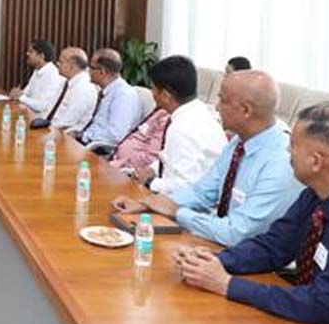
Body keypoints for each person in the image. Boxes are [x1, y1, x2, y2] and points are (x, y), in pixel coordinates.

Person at [175, 103, 329, 324]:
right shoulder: (317, 192)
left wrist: (227, 284)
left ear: (316, 161)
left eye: (293, 145)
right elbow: (274, 246)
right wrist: (211, 261)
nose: (287, 152)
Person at [112, 70, 302, 246]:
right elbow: (202, 192)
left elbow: (236, 232)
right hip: (221, 243)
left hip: (255, 258)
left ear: (246, 110)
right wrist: (149, 204)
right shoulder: (240, 141)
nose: (217, 108)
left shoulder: (281, 162)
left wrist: (177, 212)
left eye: (223, 100)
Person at [128, 55, 226, 195]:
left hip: (186, 204)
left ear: (166, 95)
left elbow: (184, 187)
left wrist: (149, 182)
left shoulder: (183, 129)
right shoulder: (197, 113)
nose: (152, 93)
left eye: (153, 89)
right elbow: (173, 160)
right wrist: (151, 170)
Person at [78, 48, 142, 146]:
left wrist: (84, 136)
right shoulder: (105, 91)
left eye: (91, 67)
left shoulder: (123, 95)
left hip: (99, 148)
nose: (87, 71)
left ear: (102, 72)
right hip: (88, 140)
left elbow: (115, 135)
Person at [29, 47, 97, 133]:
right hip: (49, 128)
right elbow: (49, 109)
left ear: (71, 66)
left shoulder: (83, 87)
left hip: (64, 135)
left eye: (61, 62)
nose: (57, 64)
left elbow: (66, 122)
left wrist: (43, 130)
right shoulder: (65, 81)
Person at [8, 40, 65, 114]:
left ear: (41, 56)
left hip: (40, 118)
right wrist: (17, 93)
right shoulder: (37, 70)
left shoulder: (52, 75)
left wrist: (20, 97)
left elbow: (42, 106)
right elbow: (26, 93)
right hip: (29, 113)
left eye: (31, 52)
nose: (27, 54)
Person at [108, 107, 171, 171]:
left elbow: (151, 157)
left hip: (129, 168)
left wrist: (124, 161)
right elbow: (140, 134)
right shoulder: (161, 112)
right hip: (116, 158)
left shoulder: (167, 122)